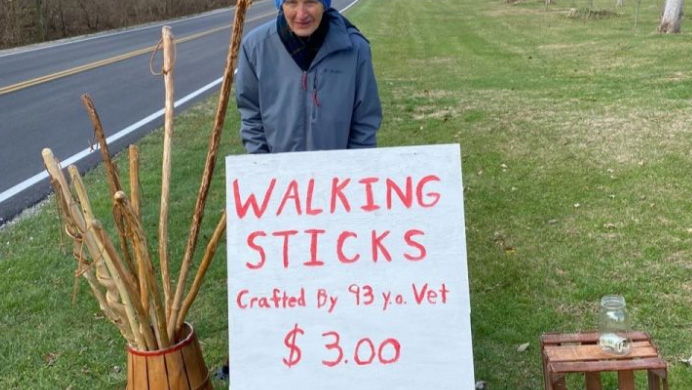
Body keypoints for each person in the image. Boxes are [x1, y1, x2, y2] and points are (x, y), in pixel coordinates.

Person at [235, 0, 382, 154]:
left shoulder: (356, 49)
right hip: (279, 174)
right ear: (280, 5)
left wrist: (354, 168)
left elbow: (365, 122)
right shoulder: (255, 48)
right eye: (292, 3)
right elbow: (251, 116)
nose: (301, 14)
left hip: (337, 175)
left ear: (324, 4)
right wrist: (263, 165)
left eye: (310, 2)